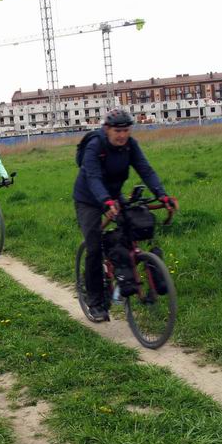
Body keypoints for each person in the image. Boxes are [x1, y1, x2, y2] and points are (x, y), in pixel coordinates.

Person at [73, 109, 177, 323]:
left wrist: (163, 195)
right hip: (88, 198)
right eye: (117, 131)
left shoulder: (131, 145)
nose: (122, 135)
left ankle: (122, 274)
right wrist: (106, 201)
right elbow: (92, 177)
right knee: (93, 247)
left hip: (112, 194)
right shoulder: (96, 146)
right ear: (107, 129)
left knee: (130, 230)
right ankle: (95, 302)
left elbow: (145, 170)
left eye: (126, 130)